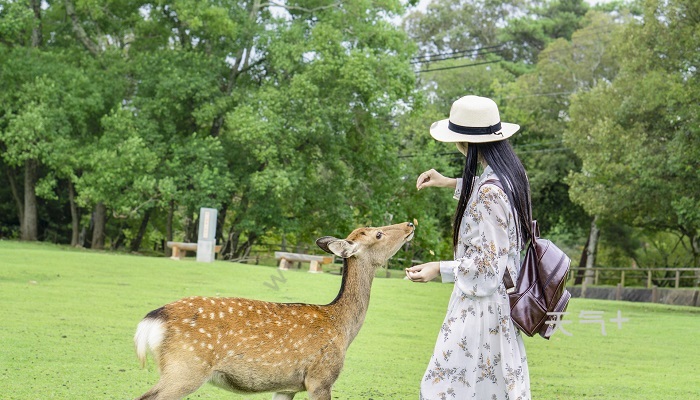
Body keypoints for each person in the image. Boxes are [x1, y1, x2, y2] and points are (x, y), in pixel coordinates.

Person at [406, 95, 532, 400]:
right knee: (490, 384)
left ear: (467, 144)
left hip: (481, 305)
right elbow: (486, 193)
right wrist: (449, 181)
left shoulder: (490, 193)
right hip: (501, 303)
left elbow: (487, 265)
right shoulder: (511, 177)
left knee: (447, 383)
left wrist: (439, 268)